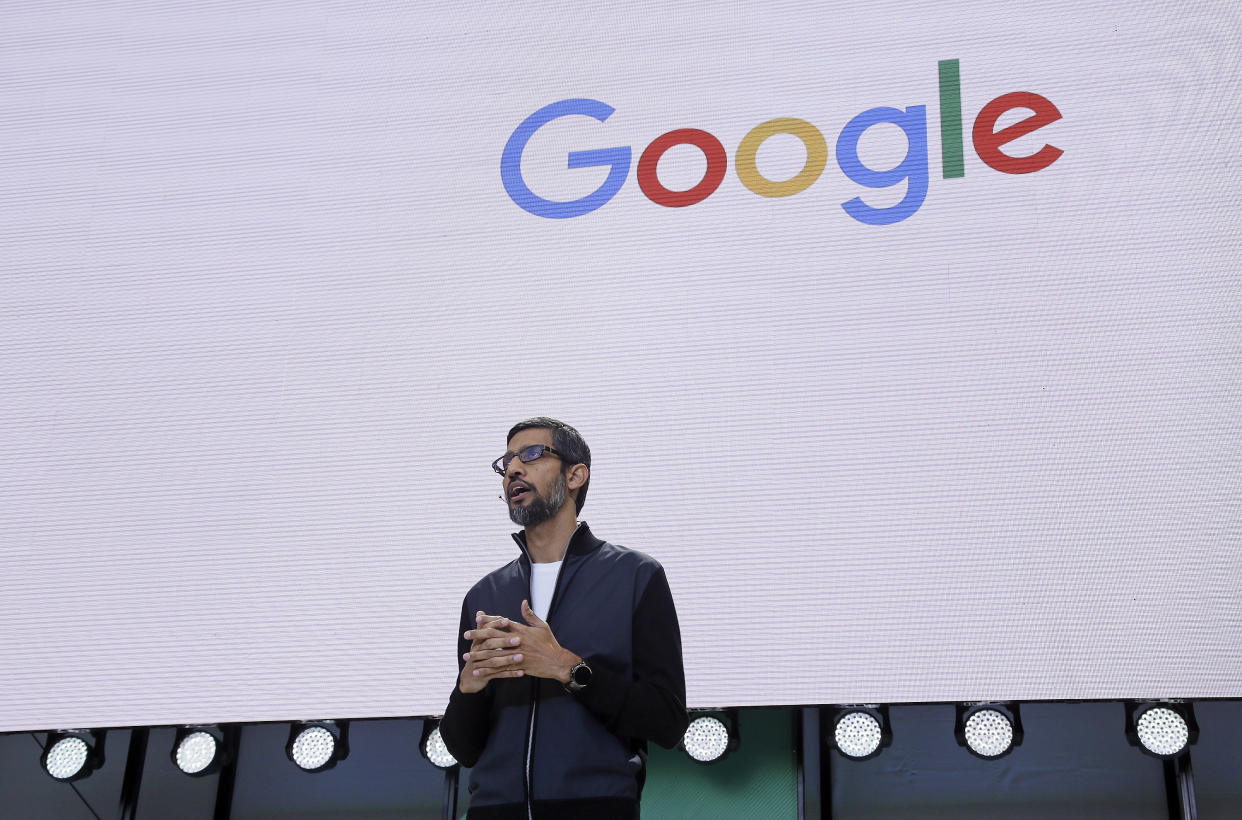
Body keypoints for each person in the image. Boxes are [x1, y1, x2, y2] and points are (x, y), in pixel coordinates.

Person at [440, 417, 688, 820]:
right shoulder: (484, 596)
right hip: (493, 810)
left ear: (576, 475)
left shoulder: (636, 577)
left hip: (595, 808)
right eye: (507, 463)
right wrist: (468, 691)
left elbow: (668, 722)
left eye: (533, 454)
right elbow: (463, 749)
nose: (514, 469)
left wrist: (567, 668)